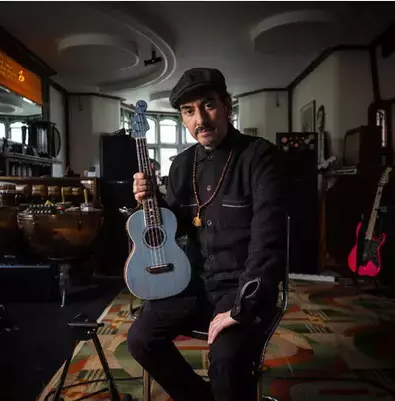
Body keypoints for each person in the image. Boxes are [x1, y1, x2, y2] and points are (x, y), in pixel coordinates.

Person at [128, 68, 288, 401]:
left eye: (208, 106)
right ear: (183, 118)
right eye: (189, 111)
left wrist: (242, 306)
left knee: (226, 363)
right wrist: (151, 201)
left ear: (227, 106)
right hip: (192, 284)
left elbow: (268, 239)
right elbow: (176, 227)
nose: (200, 119)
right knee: (140, 340)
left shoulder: (260, 156)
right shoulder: (181, 165)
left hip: (241, 287)